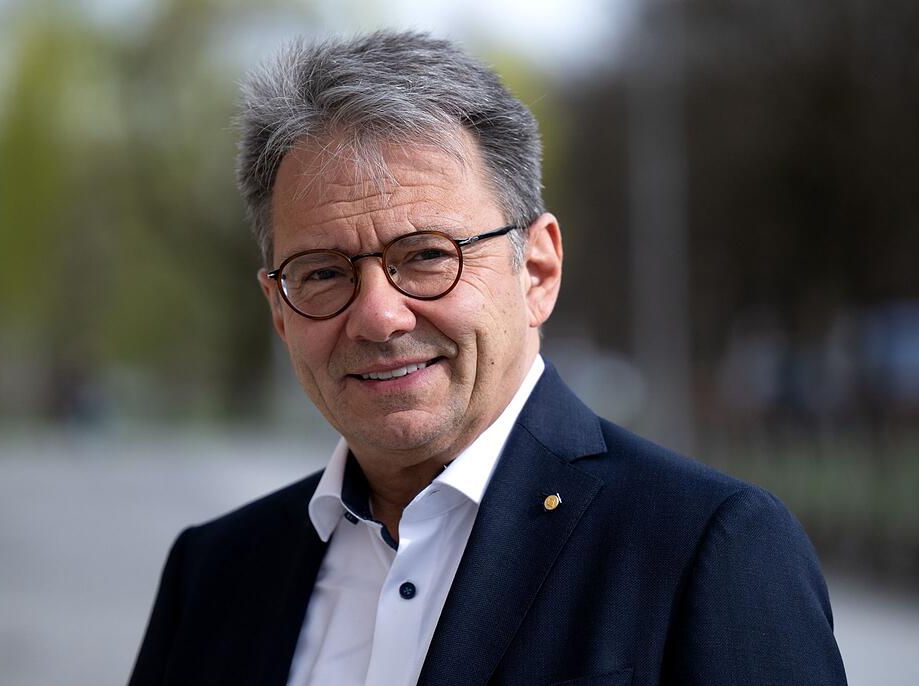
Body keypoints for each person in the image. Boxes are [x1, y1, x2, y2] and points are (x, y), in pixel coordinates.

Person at [129, 31, 847, 686]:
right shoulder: (213, 576)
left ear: (536, 271)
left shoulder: (705, 551)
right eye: (321, 272)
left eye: (426, 256)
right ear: (279, 310)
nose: (378, 316)